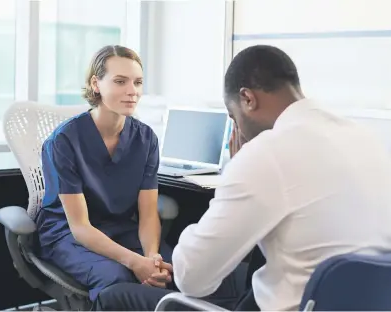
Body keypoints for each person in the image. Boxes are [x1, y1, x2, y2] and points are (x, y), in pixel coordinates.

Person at [93, 45, 391, 311]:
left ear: (247, 99)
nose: (239, 131)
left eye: (233, 117)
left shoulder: (267, 153)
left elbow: (192, 279)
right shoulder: (366, 139)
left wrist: (235, 174)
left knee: (115, 297)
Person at [35, 45, 173, 302]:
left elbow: (147, 212)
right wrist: (134, 261)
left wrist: (151, 256)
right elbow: (80, 227)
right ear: (95, 84)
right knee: (116, 278)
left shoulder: (146, 139)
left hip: (121, 229)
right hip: (69, 235)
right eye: (120, 82)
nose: (133, 91)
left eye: (138, 82)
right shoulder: (65, 141)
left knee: (172, 271)